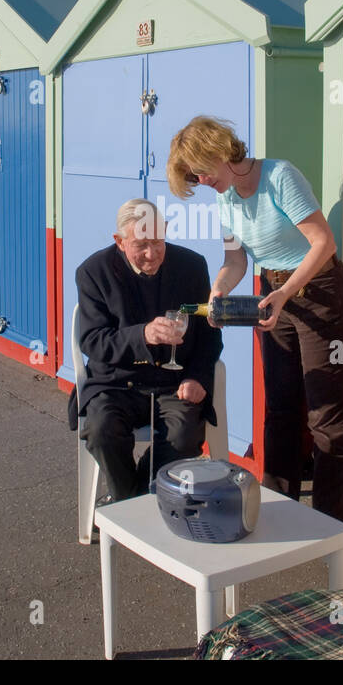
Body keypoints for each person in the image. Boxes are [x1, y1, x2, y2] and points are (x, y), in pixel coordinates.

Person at [167, 117, 343, 527]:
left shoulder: (279, 176)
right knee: (281, 407)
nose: (200, 181)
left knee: (327, 415)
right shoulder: (225, 199)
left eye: (200, 170)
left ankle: (334, 524)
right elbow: (236, 261)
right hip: (272, 291)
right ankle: (279, 509)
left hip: (319, 291)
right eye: (192, 178)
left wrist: (286, 294)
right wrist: (218, 290)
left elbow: (324, 242)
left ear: (218, 151)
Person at [75, 198, 224, 503]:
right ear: (120, 241)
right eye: (141, 245)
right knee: (102, 431)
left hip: (174, 383)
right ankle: (132, 504)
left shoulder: (192, 266)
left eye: (158, 242)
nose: (151, 253)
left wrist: (197, 377)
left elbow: (209, 333)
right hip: (117, 382)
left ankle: (130, 500)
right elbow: (92, 341)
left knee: (184, 437)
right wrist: (142, 334)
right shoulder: (94, 271)